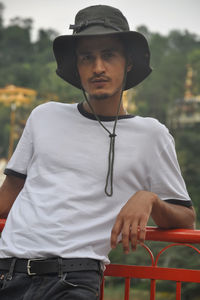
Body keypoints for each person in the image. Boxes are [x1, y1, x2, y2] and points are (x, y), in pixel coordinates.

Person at [0, 4, 196, 300]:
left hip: (73, 280)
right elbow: (7, 198)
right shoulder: (44, 116)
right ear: (77, 67)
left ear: (128, 62)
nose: (98, 67)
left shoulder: (151, 135)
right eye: (87, 58)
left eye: (109, 55)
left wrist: (150, 199)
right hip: (6, 272)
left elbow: (185, 218)